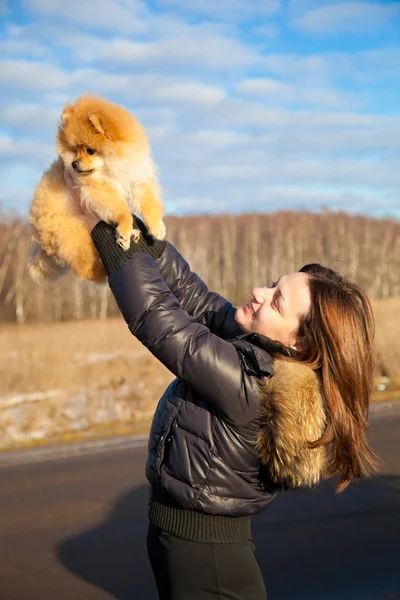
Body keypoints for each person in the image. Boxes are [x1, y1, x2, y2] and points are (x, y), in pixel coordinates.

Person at [65, 171, 379, 600]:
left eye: (276, 300)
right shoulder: (257, 355)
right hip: (192, 546)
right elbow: (196, 301)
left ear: (300, 340)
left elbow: (159, 320)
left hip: (206, 559)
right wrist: (134, 227)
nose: (259, 292)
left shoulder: (254, 385)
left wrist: (107, 228)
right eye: (272, 284)